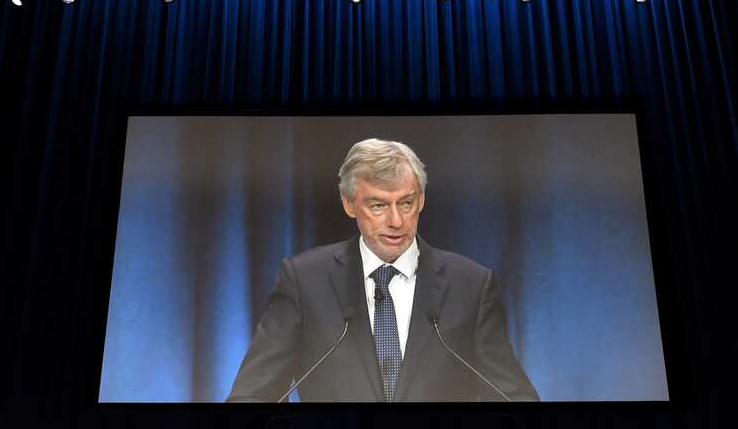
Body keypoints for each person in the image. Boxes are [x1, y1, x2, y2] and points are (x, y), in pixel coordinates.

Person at [226, 139, 540, 403]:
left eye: (406, 203)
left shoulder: (470, 284)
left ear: (422, 201)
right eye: (378, 206)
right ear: (349, 204)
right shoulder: (304, 281)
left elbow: (513, 398)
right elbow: (252, 397)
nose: (396, 221)